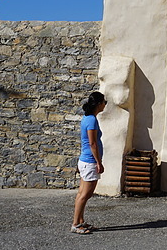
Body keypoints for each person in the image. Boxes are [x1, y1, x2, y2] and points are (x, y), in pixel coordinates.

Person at [71, 91, 107, 234]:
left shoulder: (87, 118)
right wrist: (99, 162)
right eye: (105, 102)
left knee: (81, 194)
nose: (105, 105)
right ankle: (75, 224)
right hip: (90, 161)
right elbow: (92, 143)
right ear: (99, 104)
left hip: (85, 161)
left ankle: (80, 221)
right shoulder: (91, 120)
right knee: (85, 195)